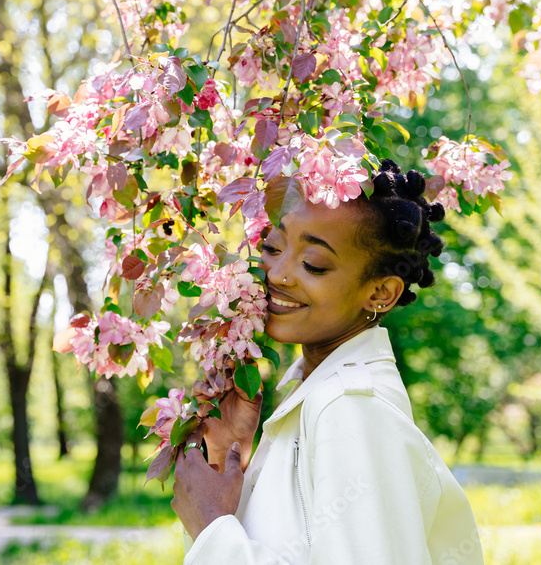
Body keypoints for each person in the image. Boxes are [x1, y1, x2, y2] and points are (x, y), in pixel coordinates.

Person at [171, 160, 484, 564]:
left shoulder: (352, 408)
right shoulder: (311, 395)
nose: (278, 274)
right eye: (271, 247)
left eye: (314, 264)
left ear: (380, 293)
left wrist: (211, 528)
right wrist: (232, 455)